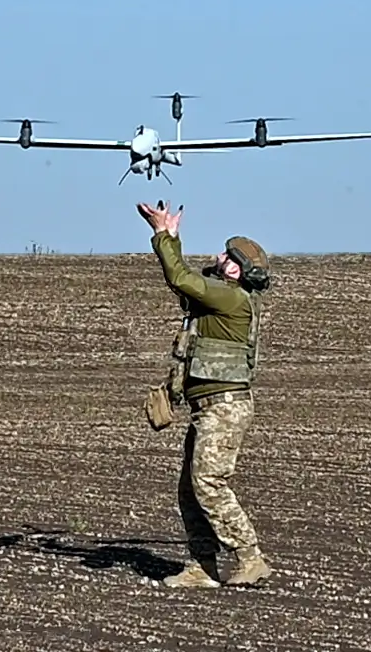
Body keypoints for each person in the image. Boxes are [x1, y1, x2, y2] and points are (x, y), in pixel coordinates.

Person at [137, 199, 274, 589]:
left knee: (209, 482)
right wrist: (169, 237)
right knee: (190, 490)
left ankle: (250, 558)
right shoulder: (219, 296)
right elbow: (184, 282)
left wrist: (163, 235)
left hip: (224, 408)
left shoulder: (230, 297)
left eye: (226, 255)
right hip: (206, 406)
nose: (217, 256)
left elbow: (181, 279)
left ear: (237, 269)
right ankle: (204, 566)